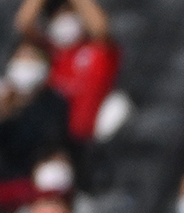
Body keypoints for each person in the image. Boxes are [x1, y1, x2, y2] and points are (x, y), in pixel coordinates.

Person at [0, 42, 71, 213]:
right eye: (21, 58)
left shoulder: (54, 102)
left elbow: (53, 141)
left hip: (35, 182)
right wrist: (0, 114)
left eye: (32, 59)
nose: (25, 64)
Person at [15, 0, 118, 145]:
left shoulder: (96, 52)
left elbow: (100, 27)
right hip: (50, 141)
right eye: (57, 15)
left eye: (69, 13)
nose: (64, 20)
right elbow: (24, 23)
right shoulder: (50, 53)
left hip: (89, 141)